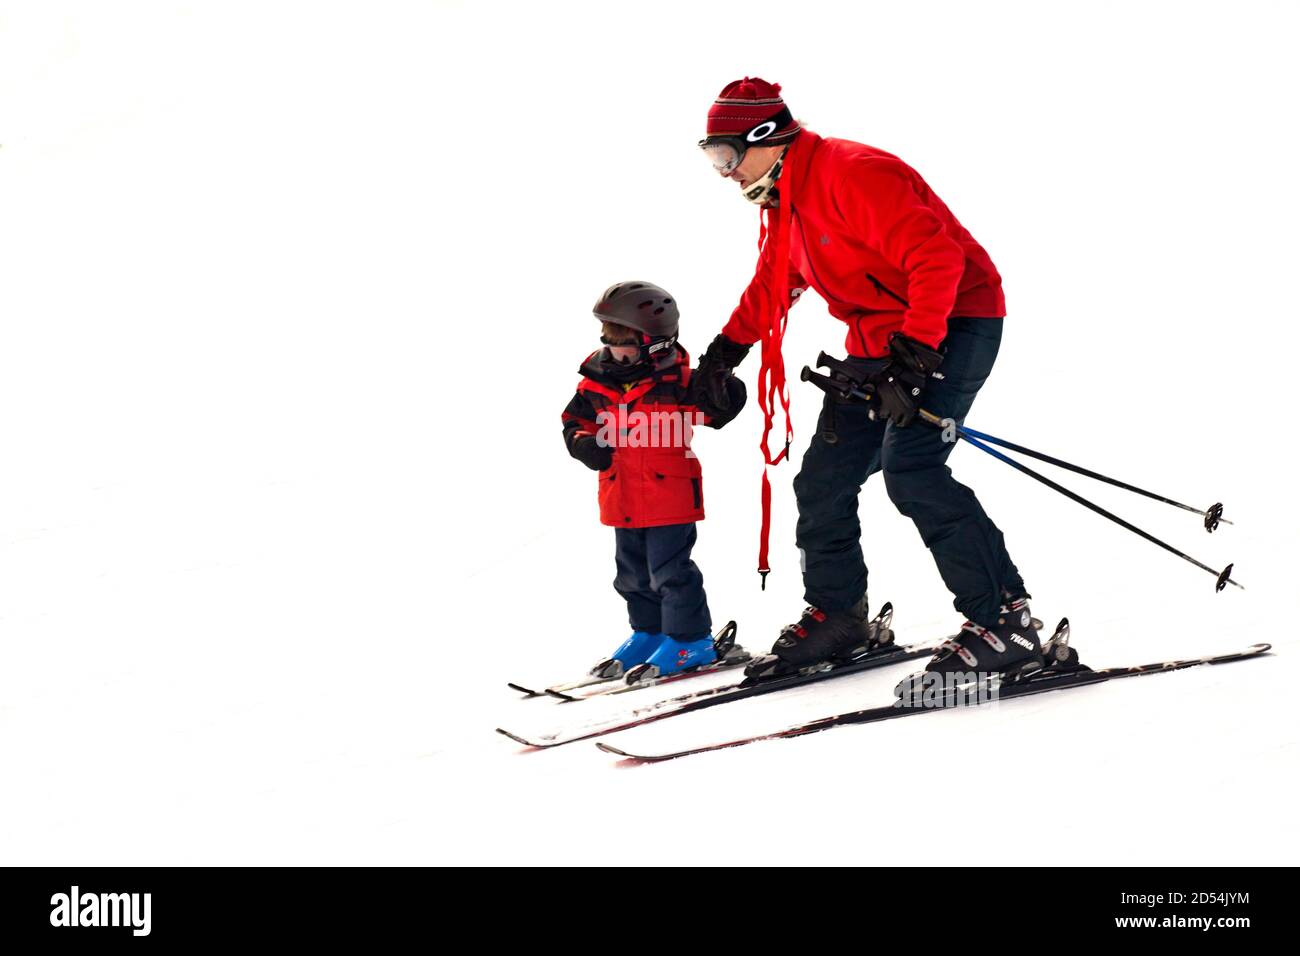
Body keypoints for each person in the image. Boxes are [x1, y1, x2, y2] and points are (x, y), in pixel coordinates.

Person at [689, 77, 1040, 681]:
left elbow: (937, 258)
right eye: (712, 158)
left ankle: (1007, 623)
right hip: (882, 345)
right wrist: (723, 355)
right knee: (823, 479)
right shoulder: (787, 205)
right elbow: (775, 284)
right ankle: (839, 615)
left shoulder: (852, 173)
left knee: (914, 469)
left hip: (954, 321)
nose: (724, 172)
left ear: (768, 138)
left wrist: (916, 358)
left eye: (727, 155)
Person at [562, 281, 745, 680]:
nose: (615, 352)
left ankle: (690, 640)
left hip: (669, 495)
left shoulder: (678, 383)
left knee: (671, 572)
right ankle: (650, 631)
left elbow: (717, 411)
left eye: (624, 344)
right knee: (631, 574)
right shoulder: (597, 380)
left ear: (655, 344)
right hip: (620, 495)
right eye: (609, 342)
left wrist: (723, 386)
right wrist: (583, 444)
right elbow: (574, 421)